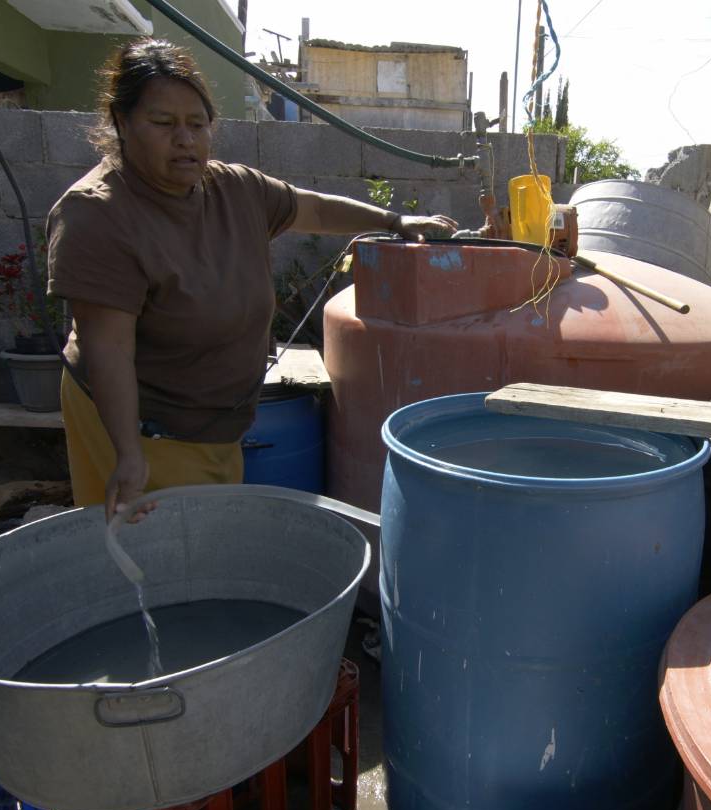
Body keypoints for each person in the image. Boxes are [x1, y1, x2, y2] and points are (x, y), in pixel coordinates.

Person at [47, 38, 456, 521]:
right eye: (163, 123)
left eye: (197, 124)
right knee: (151, 550)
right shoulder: (98, 215)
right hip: (137, 426)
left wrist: (393, 221)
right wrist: (127, 454)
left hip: (217, 424)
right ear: (122, 122)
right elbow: (109, 348)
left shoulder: (233, 189)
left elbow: (312, 208)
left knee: (211, 539)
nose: (185, 139)